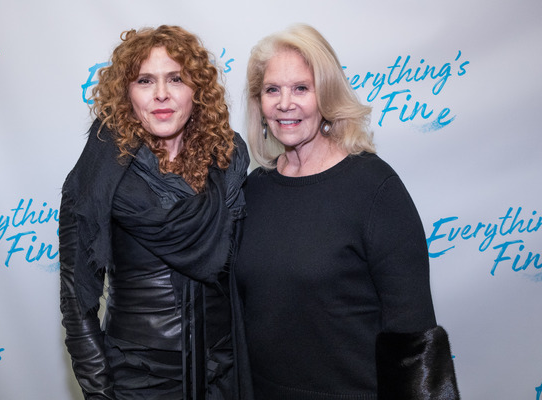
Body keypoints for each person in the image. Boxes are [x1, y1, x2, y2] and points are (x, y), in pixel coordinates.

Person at [234, 24, 460, 399]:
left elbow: (413, 339)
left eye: (301, 88)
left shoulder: (375, 188)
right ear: (259, 103)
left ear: (327, 96)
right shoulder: (252, 189)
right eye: (272, 89)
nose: (285, 103)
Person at [59, 25, 249, 400]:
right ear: (127, 93)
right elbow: (76, 301)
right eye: (145, 80)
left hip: (222, 371)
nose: (161, 94)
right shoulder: (99, 170)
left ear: (197, 91)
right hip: (136, 376)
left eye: (175, 78)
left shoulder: (228, 159)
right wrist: (100, 392)